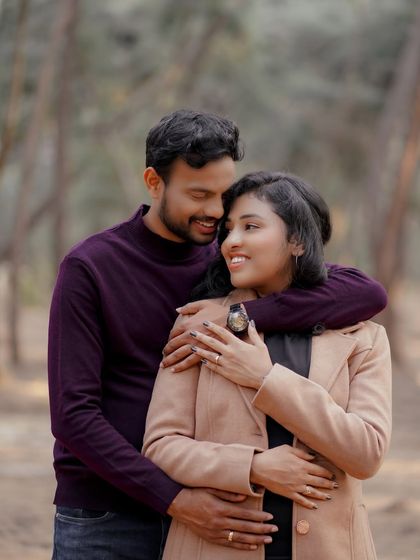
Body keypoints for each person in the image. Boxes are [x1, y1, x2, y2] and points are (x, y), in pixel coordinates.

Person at [48, 110, 387, 560]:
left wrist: (235, 316)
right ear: (154, 182)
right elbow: (74, 416)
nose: (214, 213)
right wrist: (176, 499)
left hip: (218, 500)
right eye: (199, 194)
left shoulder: (227, 261)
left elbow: (364, 291)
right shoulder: (92, 266)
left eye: (224, 197)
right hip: (110, 511)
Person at [143, 171, 392, 560]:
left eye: (251, 226)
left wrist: (265, 378)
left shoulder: (363, 336)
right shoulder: (200, 324)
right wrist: (253, 467)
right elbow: (161, 446)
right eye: (227, 230)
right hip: (214, 549)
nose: (230, 242)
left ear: (296, 241)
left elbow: (367, 453)